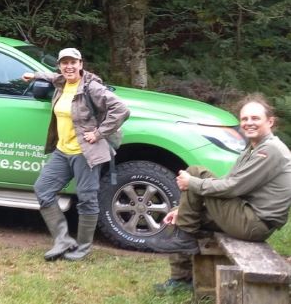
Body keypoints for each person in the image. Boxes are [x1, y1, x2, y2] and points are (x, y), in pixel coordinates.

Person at [149, 94, 291, 294]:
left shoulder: (270, 150)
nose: (249, 123)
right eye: (244, 119)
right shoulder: (252, 149)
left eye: (255, 118)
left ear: (270, 121)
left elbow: (232, 187)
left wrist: (192, 182)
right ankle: (180, 280)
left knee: (196, 172)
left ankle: (185, 238)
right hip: (244, 215)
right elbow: (226, 182)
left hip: (254, 223)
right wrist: (182, 208)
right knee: (181, 217)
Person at [22, 48, 129, 261]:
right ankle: (63, 240)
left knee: (87, 199)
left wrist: (99, 133)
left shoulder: (92, 87)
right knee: (43, 189)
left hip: (85, 152)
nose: (68, 66)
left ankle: (83, 248)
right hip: (63, 151)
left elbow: (121, 109)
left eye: (73, 62)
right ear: (60, 65)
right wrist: (34, 75)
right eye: (64, 62)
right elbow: (52, 76)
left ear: (81, 64)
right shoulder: (62, 82)